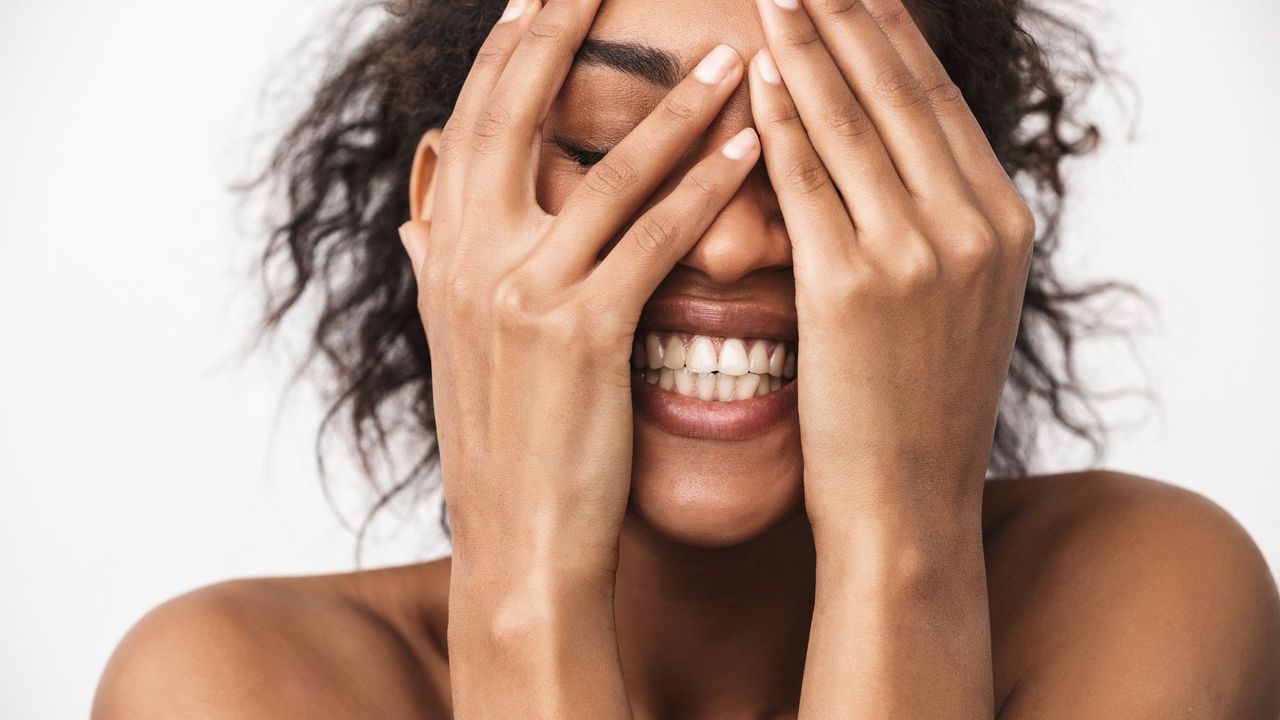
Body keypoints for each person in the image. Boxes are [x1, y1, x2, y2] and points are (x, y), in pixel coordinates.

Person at [92, 0, 1280, 717]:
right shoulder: (233, 687)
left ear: (966, 235)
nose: (727, 242)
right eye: (616, 149)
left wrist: (902, 550)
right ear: (444, 219)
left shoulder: (1146, 597)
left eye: (836, 151)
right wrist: (523, 587)